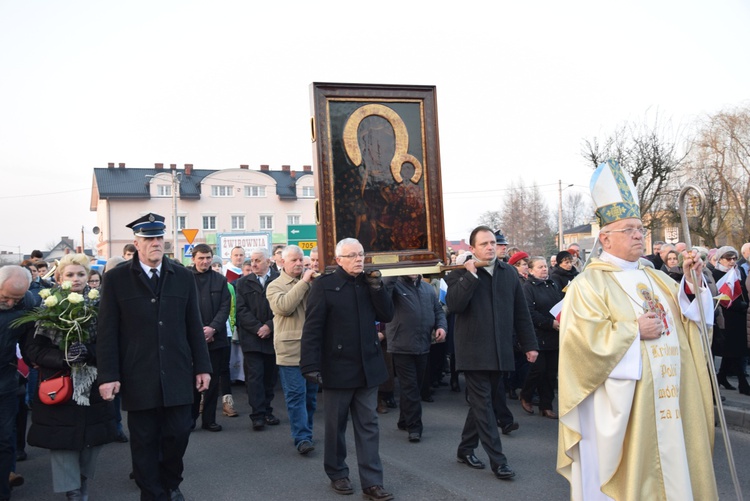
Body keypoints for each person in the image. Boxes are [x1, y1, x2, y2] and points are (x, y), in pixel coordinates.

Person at [557, 159, 718, 500]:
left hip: (671, 399)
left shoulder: (657, 277)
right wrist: (633, 331)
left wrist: (690, 285)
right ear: (605, 238)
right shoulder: (588, 285)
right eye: (628, 229)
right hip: (626, 409)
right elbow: (580, 347)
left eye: (639, 229)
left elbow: (691, 326)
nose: (637, 235)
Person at [97, 213, 212, 501]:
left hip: (177, 372)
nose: (155, 243)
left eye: (159, 238)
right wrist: (109, 375)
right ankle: (152, 493)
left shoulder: (182, 276)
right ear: (136, 243)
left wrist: (203, 367)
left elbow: (193, 326)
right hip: (139, 373)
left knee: (179, 434)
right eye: (149, 239)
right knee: (144, 440)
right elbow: (107, 332)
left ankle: (171, 482)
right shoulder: (116, 279)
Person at [300, 238, 395, 501]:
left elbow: (387, 315)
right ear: (338, 259)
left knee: (369, 426)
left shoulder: (370, 283)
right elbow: (312, 328)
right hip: (337, 367)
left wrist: (377, 287)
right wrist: (309, 364)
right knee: (335, 426)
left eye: (361, 254)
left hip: (367, 367)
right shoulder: (324, 285)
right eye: (352, 255)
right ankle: (338, 473)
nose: (358, 259)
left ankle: (373, 482)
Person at [445, 226, 538, 481]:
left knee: (480, 404)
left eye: (493, 243)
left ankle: (465, 449)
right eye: (484, 243)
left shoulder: (509, 273)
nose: (490, 247)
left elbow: (521, 312)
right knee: (485, 405)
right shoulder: (459, 274)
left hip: (500, 352)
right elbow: (453, 305)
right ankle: (499, 461)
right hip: (473, 352)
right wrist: (470, 277)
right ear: (472, 249)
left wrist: (530, 345)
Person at [24, 254, 117, 500]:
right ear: (58, 278)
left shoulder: (101, 306)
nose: (76, 279)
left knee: (93, 440)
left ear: (88, 277)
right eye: (70, 275)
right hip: (58, 384)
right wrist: (65, 358)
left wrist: (89, 352)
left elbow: (113, 344)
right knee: (62, 441)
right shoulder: (47, 307)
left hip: (92, 383)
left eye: (80, 274)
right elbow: (33, 350)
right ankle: (73, 491)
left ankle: (82, 481)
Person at [265, 245, 317, 454]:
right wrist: (304, 283)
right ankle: (301, 437)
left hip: (312, 349)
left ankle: (308, 432)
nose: (298, 264)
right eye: (293, 260)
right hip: (289, 349)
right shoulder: (275, 285)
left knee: (311, 397)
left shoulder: (314, 282)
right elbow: (284, 307)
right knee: (296, 394)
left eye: (300, 260)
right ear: (282, 263)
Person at [383, 274, 447, 442]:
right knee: (410, 387)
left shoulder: (426, 288)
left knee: (414, 387)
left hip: (423, 345)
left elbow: (438, 310)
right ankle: (415, 426)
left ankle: (404, 419)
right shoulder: (394, 284)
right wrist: (393, 272)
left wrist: (441, 326)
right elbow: (383, 295)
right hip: (401, 345)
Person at [235, 247, 279, 430]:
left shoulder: (278, 280)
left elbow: (284, 308)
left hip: (273, 337)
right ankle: (257, 415)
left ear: (268, 261)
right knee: (254, 378)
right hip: (252, 339)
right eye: (251, 260)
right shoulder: (243, 283)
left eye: (258, 260)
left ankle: (268, 411)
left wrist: (270, 325)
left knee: (270, 377)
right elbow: (241, 310)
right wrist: (257, 327)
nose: (253, 264)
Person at [0, 266, 34, 501]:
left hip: (6, 382)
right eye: (5, 298)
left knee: (4, 438)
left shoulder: (29, 304)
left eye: (16, 299)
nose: (11, 304)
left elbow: (31, 344)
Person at [189, 244, 231, 432]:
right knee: (192, 382)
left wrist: (213, 328)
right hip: (191, 340)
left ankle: (209, 420)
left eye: (208, 258)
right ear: (193, 259)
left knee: (213, 383)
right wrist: (199, 332)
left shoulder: (220, 280)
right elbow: (184, 308)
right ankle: (190, 419)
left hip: (216, 338)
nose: (205, 262)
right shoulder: (185, 278)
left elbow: (225, 307)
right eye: (201, 258)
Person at [519, 256, 562, 418]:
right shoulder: (527, 288)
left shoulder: (553, 284)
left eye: (545, 266)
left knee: (551, 373)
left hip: (554, 335)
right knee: (538, 370)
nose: (544, 269)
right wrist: (549, 323)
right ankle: (526, 395)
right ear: (530, 270)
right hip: (537, 334)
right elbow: (529, 312)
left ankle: (546, 405)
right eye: (540, 267)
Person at [711, 246, 749, 395]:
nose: (732, 262)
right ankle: (743, 383)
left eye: (734, 258)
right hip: (726, 318)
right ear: (720, 259)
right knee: (734, 350)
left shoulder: (737, 272)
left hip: (740, 316)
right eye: (728, 259)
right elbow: (720, 297)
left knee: (734, 351)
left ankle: (721, 377)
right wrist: (739, 304)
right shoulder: (716, 274)